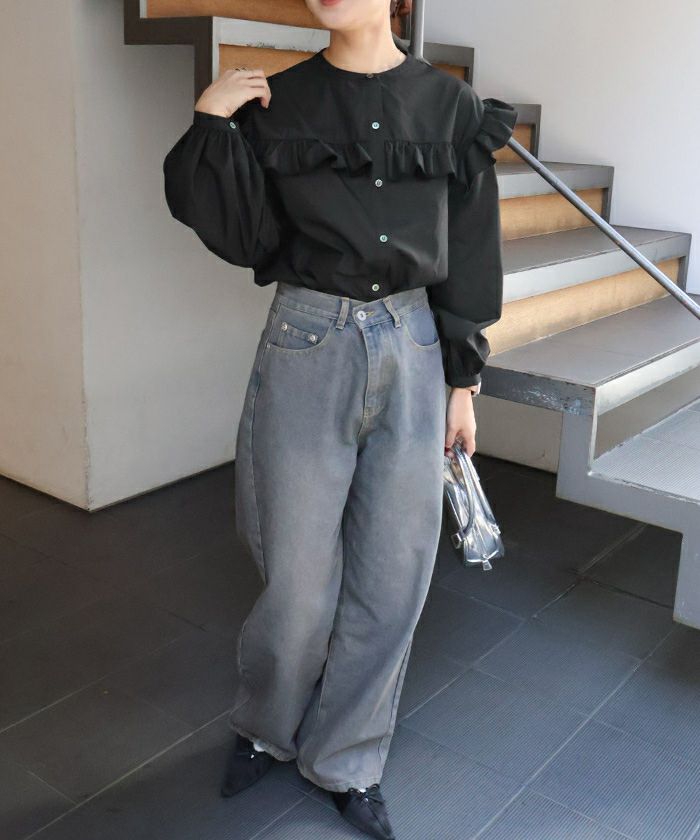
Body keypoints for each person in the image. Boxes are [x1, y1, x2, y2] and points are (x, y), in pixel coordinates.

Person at [162, 0, 516, 836]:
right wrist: (211, 123)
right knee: (296, 580)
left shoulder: (451, 107)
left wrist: (463, 383)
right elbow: (245, 237)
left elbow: (470, 250)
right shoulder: (278, 103)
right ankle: (265, 725)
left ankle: (347, 758)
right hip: (307, 338)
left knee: (395, 578)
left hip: (416, 347)